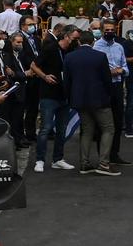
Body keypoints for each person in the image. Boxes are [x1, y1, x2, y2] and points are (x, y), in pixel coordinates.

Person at [65, 31, 120, 175]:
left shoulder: (70, 57)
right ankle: (104, 164)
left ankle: (84, 163)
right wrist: (108, 95)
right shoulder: (100, 56)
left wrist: (71, 98)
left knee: (87, 131)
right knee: (108, 129)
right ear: (93, 42)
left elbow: (67, 81)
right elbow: (107, 79)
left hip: (79, 100)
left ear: (78, 42)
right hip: (99, 99)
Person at [33, 25, 76, 172]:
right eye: (74, 38)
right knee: (45, 128)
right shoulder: (50, 48)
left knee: (62, 129)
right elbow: (34, 65)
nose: (76, 41)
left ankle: (58, 159)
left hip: (64, 95)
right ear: (66, 36)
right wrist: (44, 76)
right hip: (49, 95)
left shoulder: (71, 51)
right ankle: (39, 160)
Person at [94, 19, 130, 166]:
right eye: (107, 30)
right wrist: (109, 72)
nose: (110, 32)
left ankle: (114, 154)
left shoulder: (119, 47)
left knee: (117, 120)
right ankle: (103, 156)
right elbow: (95, 69)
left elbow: (125, 67)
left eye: (112, 29)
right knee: (102, 123)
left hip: (117, 87)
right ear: (102, 31)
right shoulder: (96, 47)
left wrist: (121, 70)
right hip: (103, 87)